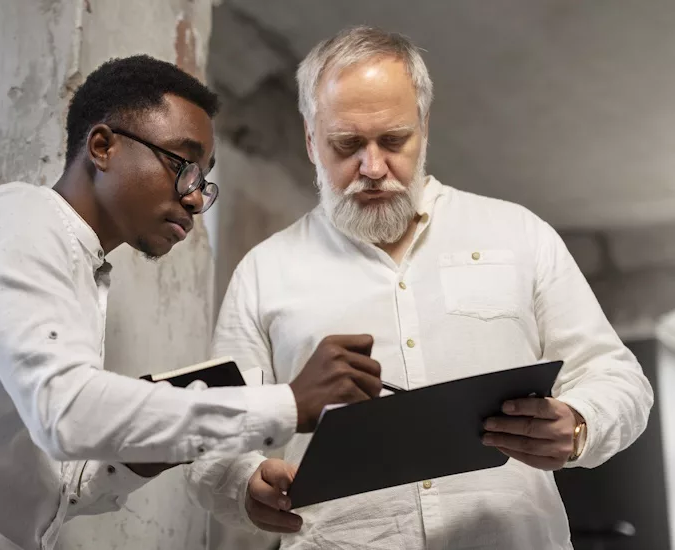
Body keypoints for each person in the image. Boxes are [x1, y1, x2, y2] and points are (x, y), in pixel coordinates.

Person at [0, 55, 386, 550]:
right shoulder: (19, 217)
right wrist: (286, 403)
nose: (193, 198)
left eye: (204, 182)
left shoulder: (84, 270)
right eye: (183, 165)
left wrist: (148, 451)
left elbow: (63, 485)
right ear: (102, 146)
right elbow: (66, 412)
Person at [185, 27, 654, 549]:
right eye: (347, 144)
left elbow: (617, 377)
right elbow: (214, 436)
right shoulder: (264, 271)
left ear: (424, 129)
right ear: (311, 140)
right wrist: (245, 482)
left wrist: (580, 424)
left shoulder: (519, 235)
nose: (373, 168)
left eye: (393, 140)